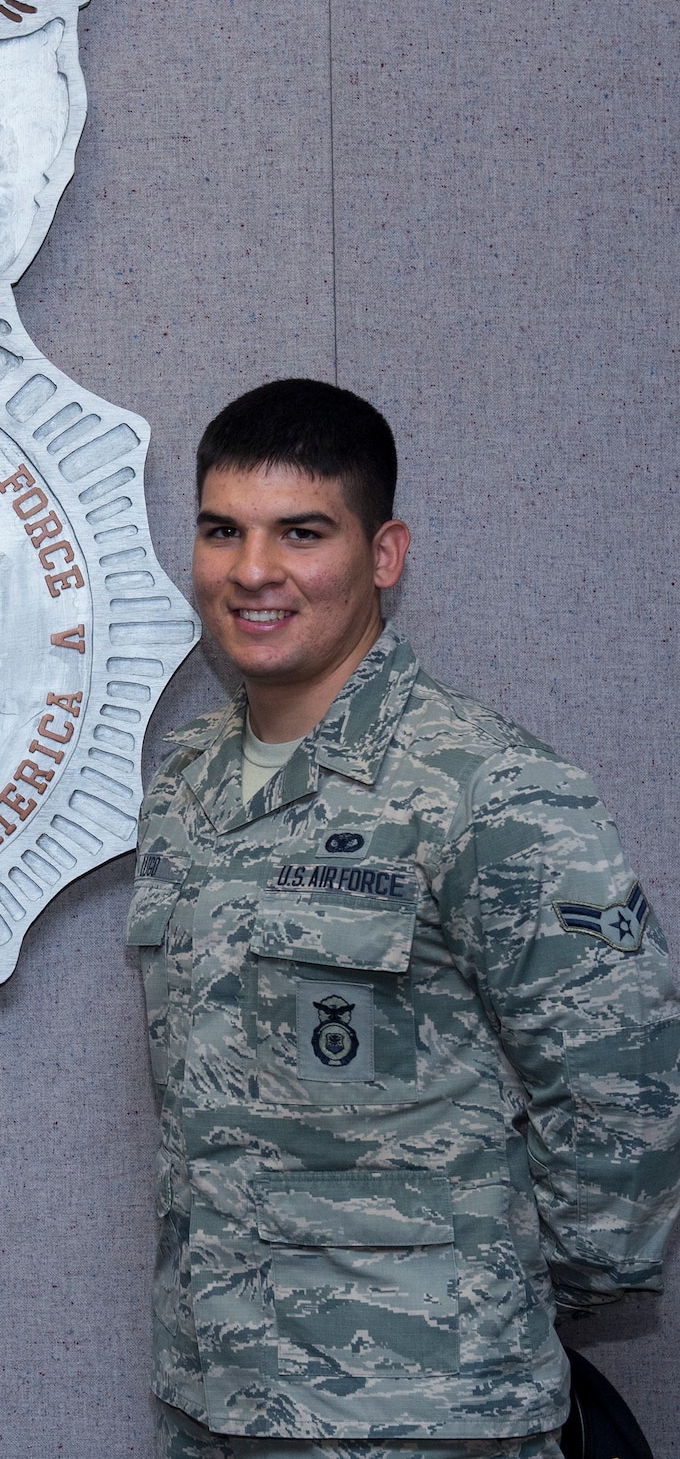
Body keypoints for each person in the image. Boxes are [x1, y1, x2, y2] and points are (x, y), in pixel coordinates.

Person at [131, 379, 680, 1458]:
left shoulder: (489, 786)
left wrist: (496, 1291)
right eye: (220, 530)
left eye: (300, 532)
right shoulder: (185, 782)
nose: (251, 571)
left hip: (426, 1413)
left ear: (382, 553)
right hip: (219, 1394)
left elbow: (626, 1090)